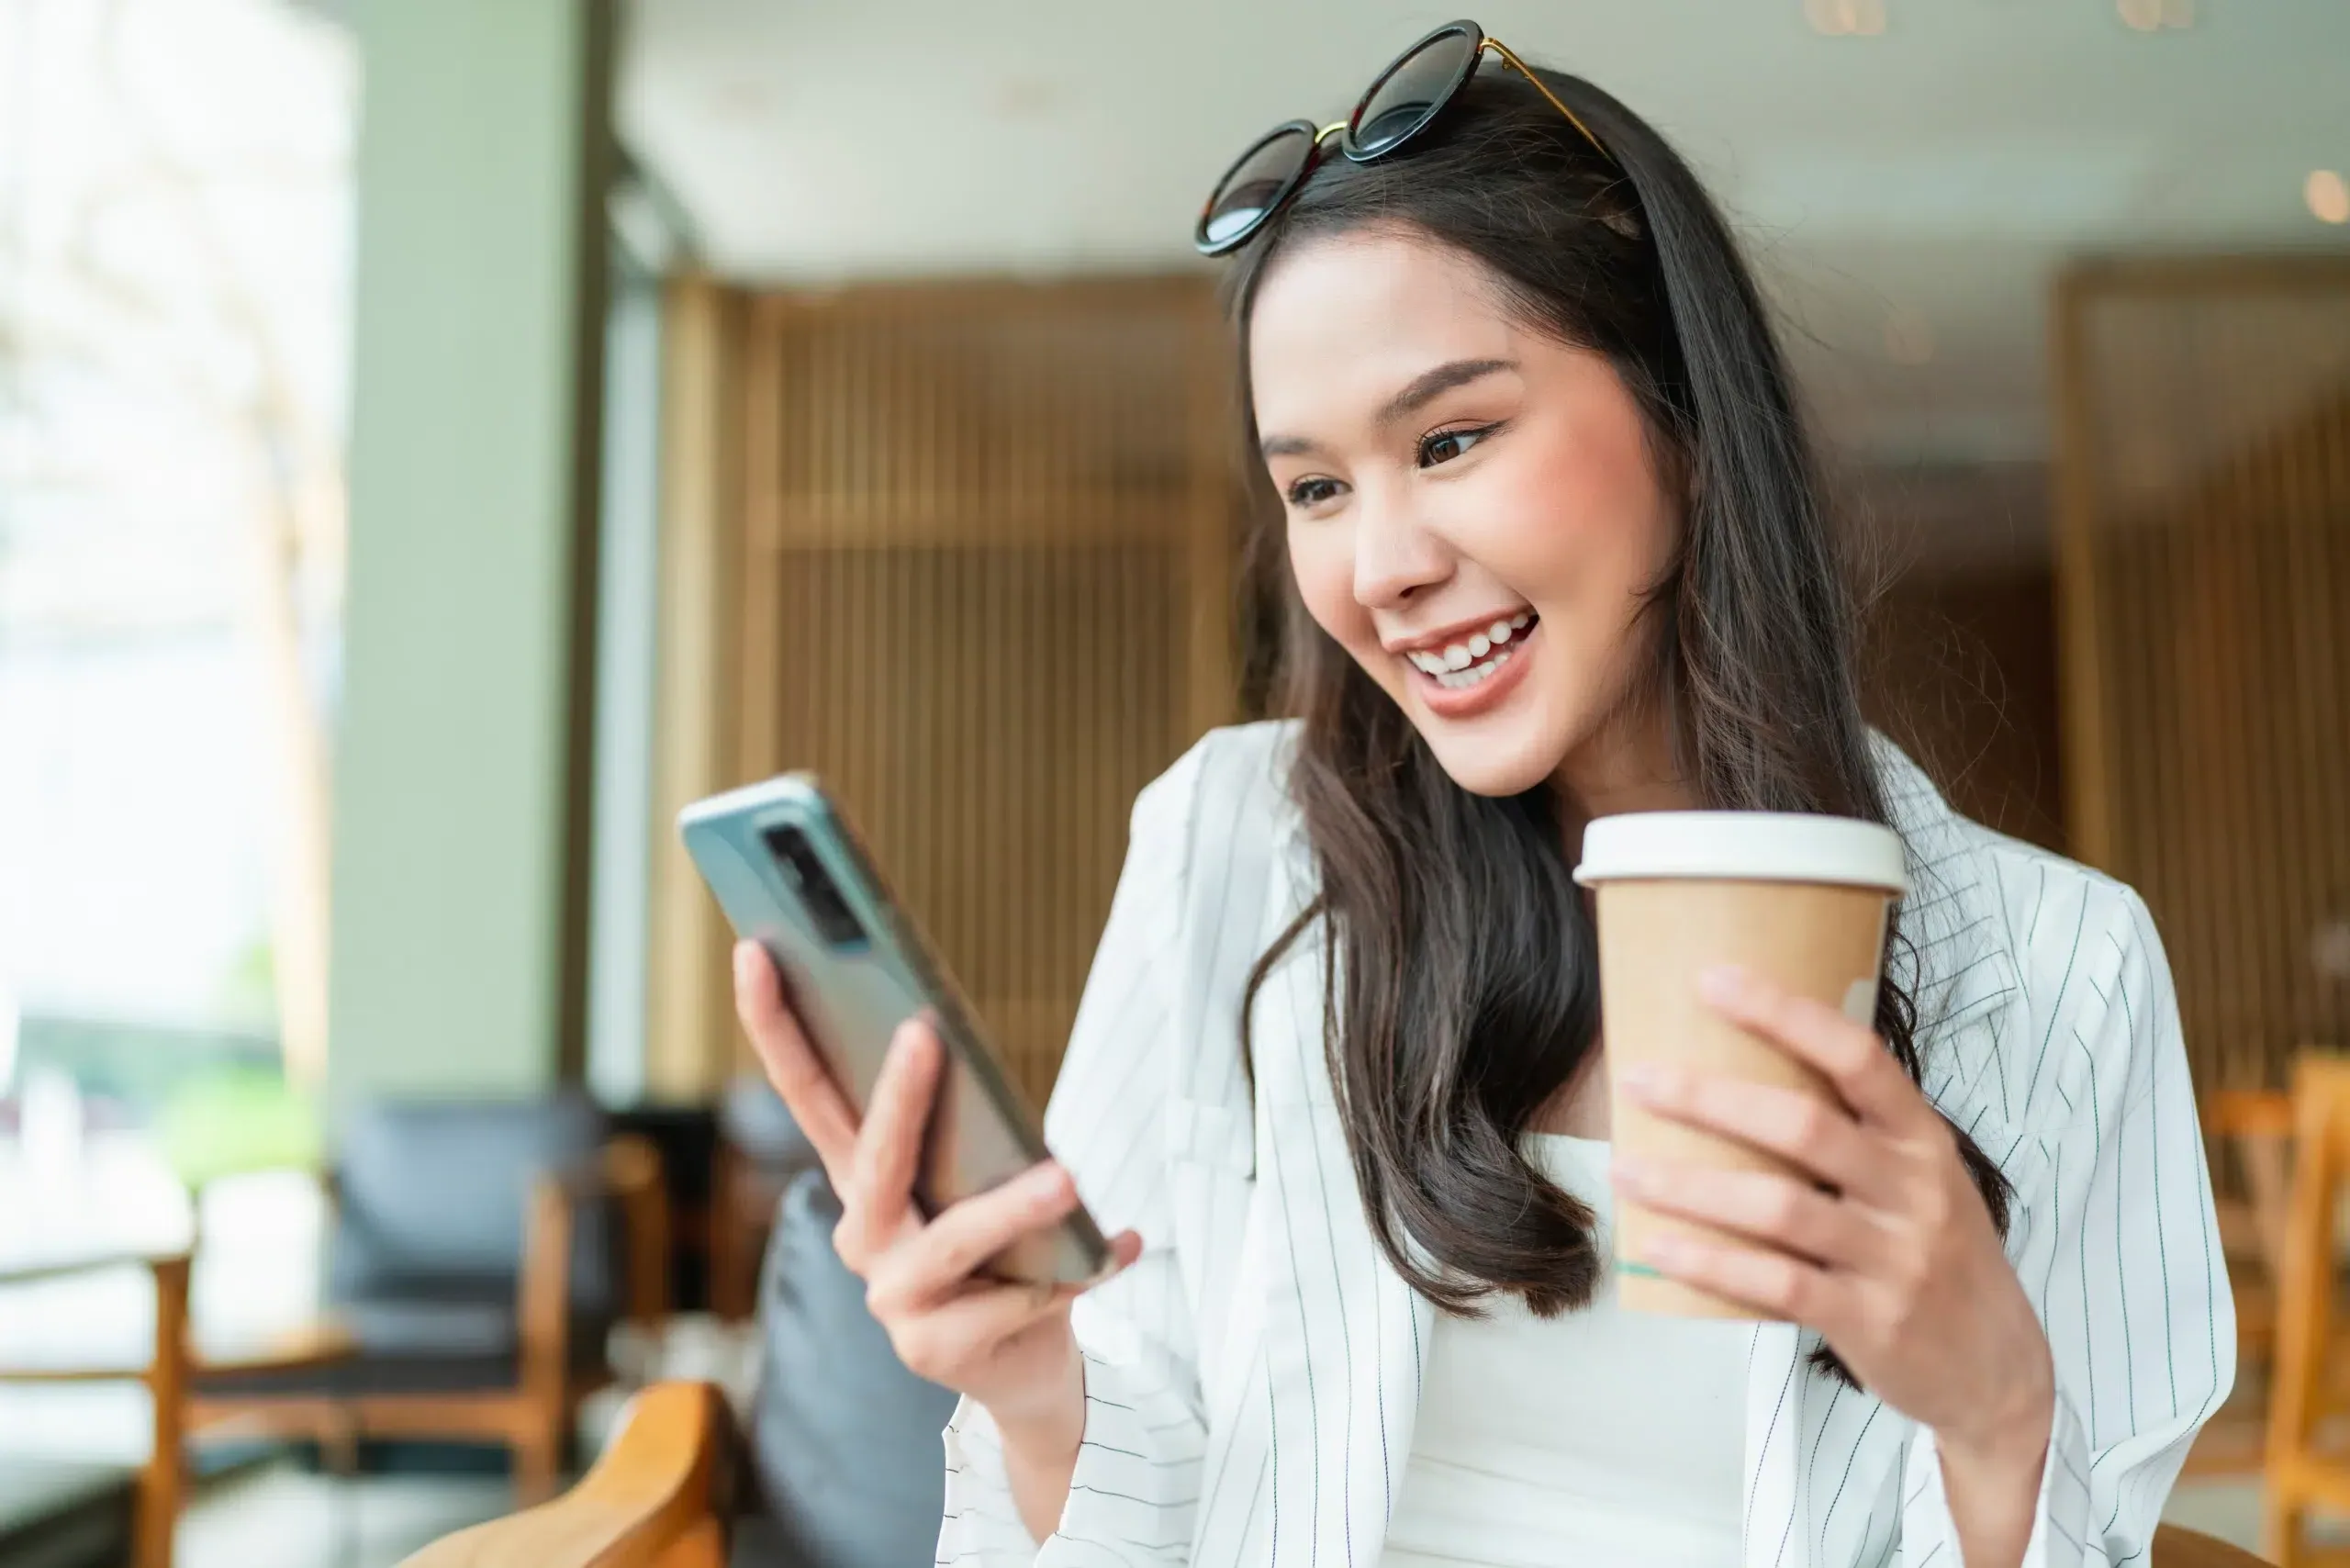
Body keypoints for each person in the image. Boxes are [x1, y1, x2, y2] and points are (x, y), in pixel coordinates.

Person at [733, 22, 2231, 1568]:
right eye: (1315, 486)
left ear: (1689, 423)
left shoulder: (2060, 970)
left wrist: (1994, 1419)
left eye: (1451, 438)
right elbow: (1127, 1511)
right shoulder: (1231, 850)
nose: (1379, 568)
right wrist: (1036, 1399)